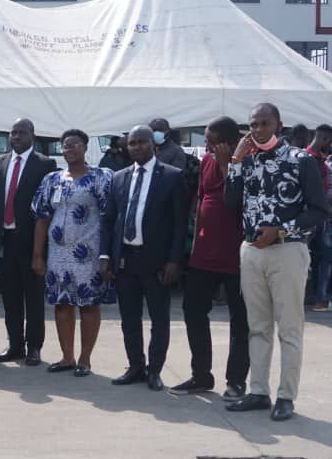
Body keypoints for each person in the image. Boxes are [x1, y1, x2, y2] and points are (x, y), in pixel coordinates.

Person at [225, 103, 329, 421]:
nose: (257, 129)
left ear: (278, 126)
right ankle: (258, 391)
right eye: (253, 124)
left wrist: (282, 229)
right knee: (257, 327)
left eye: (263, 123)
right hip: (252, 251)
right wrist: (236, 160)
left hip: (287, 249)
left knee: (289, 328)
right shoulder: (247, 161)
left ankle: (286, 396)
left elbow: (319, 210)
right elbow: (231, 203)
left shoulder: (301, 161)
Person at [100, 126, 186, 392]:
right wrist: (105, 256)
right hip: (125, 259)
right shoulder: (118, 178)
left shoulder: (172, 177)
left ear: (153, 145)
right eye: (132, 143)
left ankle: (155, 370)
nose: (136, 147)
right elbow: (109, 220)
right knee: (129, 318)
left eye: (141, 142)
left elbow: (180, 224)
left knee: (159, 319)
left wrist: (174, 260)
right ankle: (135, 366)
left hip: (157, 262)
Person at [170, 117, 249, 397]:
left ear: (227, 143)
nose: (206, 145)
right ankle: (201, 375)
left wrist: (229, 163)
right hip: (204, 252)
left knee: (240, 320)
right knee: (192, 310)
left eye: (211, 140)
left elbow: (236, 198)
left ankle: (236, 381)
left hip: (238, 255)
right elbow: (202, 198)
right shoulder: (205, 162)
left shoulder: (246, 163)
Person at [31, 129, 114, 377]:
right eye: (65, 146)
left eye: (75, 145)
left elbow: (110, 218)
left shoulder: (101, 178)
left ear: (85, 147)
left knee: (88, 304)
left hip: (88, 253)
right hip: (58, 254)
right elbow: (42, 218)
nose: (70, 150)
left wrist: (106, 255)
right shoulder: (52, 179)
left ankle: (84, 359)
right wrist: (38, 254)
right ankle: (67, 356)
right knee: (62, 303)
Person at [0, 118, 56, 366]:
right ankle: (14, 345)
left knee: (33, 297)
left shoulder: (46, 165)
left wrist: (43, 248)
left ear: (32, 136)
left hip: (31, 242)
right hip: (4, 240)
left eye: (21, 133)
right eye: (13, 133)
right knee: (10, 297)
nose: (16, 137)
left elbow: (48, 207)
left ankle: (34, 347)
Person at [306, 125, 332, 311]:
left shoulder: (313, 158)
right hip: (314, 215)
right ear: (323, 139)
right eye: (328, 140)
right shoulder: (309, 159)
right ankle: (320, 298)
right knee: (324, 256)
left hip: (316, 214)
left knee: (313, 257)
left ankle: (315, 297)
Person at [149, 118, 199, 199]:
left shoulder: (176, 151)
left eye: (159, 130)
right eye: (153, 131)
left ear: (167, 132)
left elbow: (176, 177)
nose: (155, 133)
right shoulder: (149, 150)